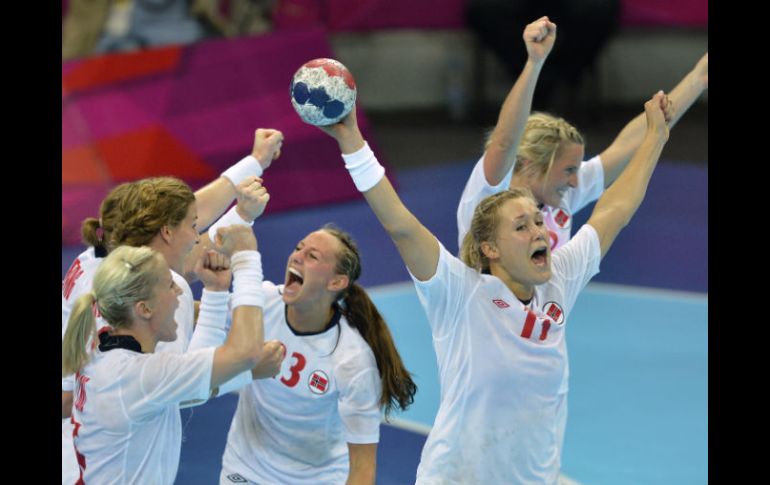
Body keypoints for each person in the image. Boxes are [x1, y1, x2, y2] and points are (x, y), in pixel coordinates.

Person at [314, 87, 673, 482]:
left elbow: (616, 209)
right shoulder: (458, 292)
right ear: (490, 248)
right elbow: (399, 224)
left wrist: (656, 136)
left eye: (538, 221)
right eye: (521, 227)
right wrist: (352, 142)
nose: (539, 232)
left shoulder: (559, 281)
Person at [61, 128, 283, 484]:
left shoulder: (98, 263)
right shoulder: (152, 307)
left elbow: (186, 230)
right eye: (191, 226)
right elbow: (187, 391)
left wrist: (253, 165)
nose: (197, 234)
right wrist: (244, 251)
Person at [456, 26, 708, 250]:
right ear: (532, 165)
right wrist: (534, 63)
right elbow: (504, 141)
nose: (576, 181)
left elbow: (628, 145)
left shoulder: (555, 193)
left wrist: (698, 79)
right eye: (568, 170)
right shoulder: (490, 194)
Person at [62, 225, 267, 484]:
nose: (180, 291)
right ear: (144, 308)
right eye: (170, 285)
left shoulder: (104, 350)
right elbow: (246, 352)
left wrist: (215, 292)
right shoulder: (140, 376)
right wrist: (246, 259)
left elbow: (192, 378)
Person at [218, 224, 417, 485]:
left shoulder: (352, 360)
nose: (297, 256)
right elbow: (199, 314)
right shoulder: (262, 303)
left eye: (312, 256)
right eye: (299, 248)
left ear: (336, 282)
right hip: (246, 470)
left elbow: (362, 465)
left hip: (317, 479)